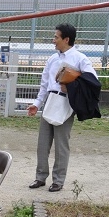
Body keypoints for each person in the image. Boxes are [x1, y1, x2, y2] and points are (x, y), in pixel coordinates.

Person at [27, 23, 97, 193]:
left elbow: (93, 80)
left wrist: (72, 87)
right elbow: (44, 85)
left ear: (66, 39)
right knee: (42, 144)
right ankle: (40, 176)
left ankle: (58, 180)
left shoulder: (80, 59)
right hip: (50, 101)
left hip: (65, 104)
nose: (53, 40)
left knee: (61, 145)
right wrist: (37, 104)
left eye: (56, 37)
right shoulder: (52, 59)